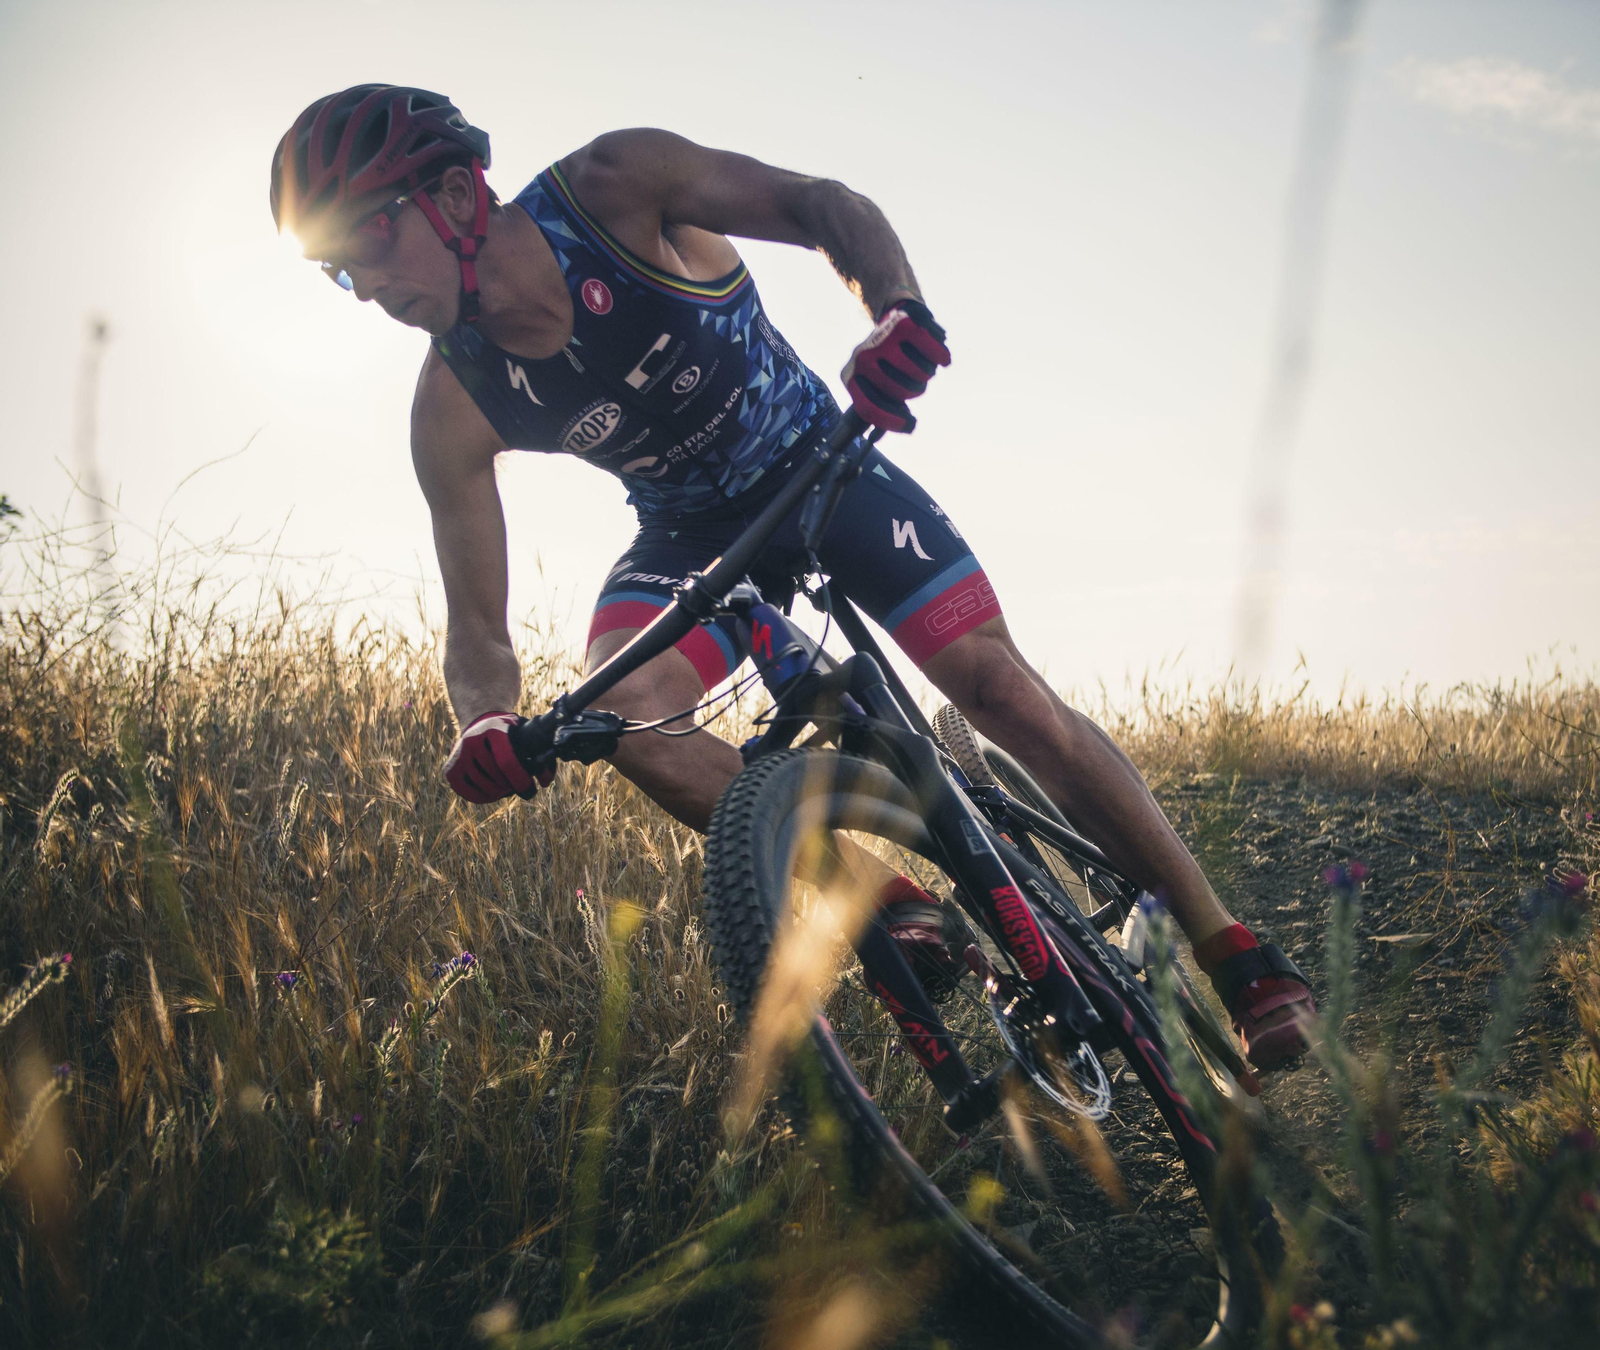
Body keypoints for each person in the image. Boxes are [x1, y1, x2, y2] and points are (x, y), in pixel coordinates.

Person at [271, 84, 1316, 1072]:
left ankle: (1232, 952)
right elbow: (476, 628)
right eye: (337, 271)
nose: (366, 285)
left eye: (370, 239)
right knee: (621, 715)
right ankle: (882, 898)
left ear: (457, 195)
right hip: (691, 539)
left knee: (999, 691)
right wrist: (484, 720)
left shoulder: (614, 188)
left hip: (826, 468)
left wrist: (895, 312)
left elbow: (824, 206)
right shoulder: (451, 403)